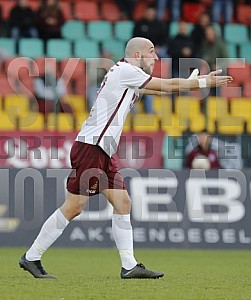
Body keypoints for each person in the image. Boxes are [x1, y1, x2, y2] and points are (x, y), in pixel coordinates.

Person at [19, 37, 232, 279]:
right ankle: (32, 257)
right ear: (138, 55)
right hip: (92, 147)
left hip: (103, 150)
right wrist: (202, 82)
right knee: (74, 207)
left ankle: (129, 265)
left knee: (123, 203)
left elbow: (159, 88)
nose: (156, 57)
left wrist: (192, 83)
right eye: (152, 52)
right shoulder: (126, 71)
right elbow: (167, 86)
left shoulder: (126, 73)